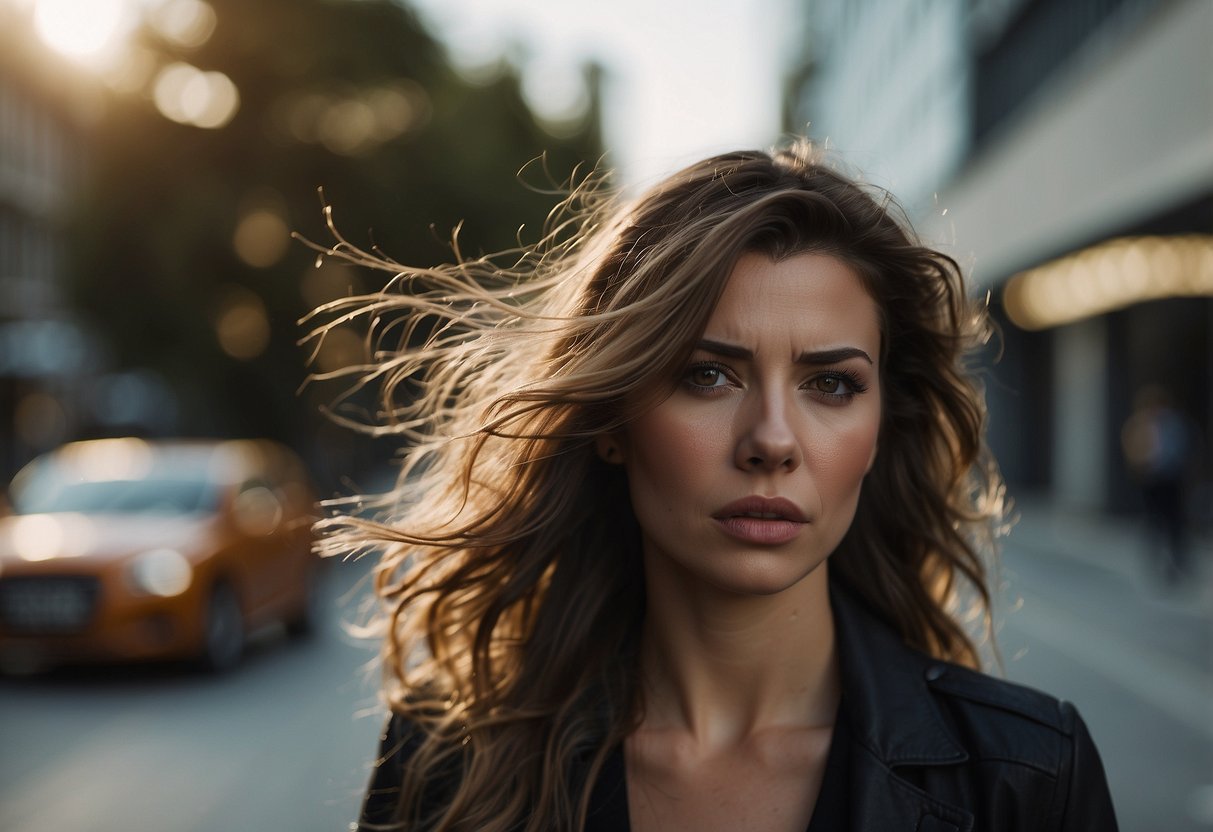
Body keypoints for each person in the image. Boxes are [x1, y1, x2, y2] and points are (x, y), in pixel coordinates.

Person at [306, 142, 1119, 831]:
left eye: (830, 385)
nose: (770, 441)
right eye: (707, 375)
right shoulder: (447, 759)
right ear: (614, 421)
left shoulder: (1026, 778)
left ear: (881, 431)